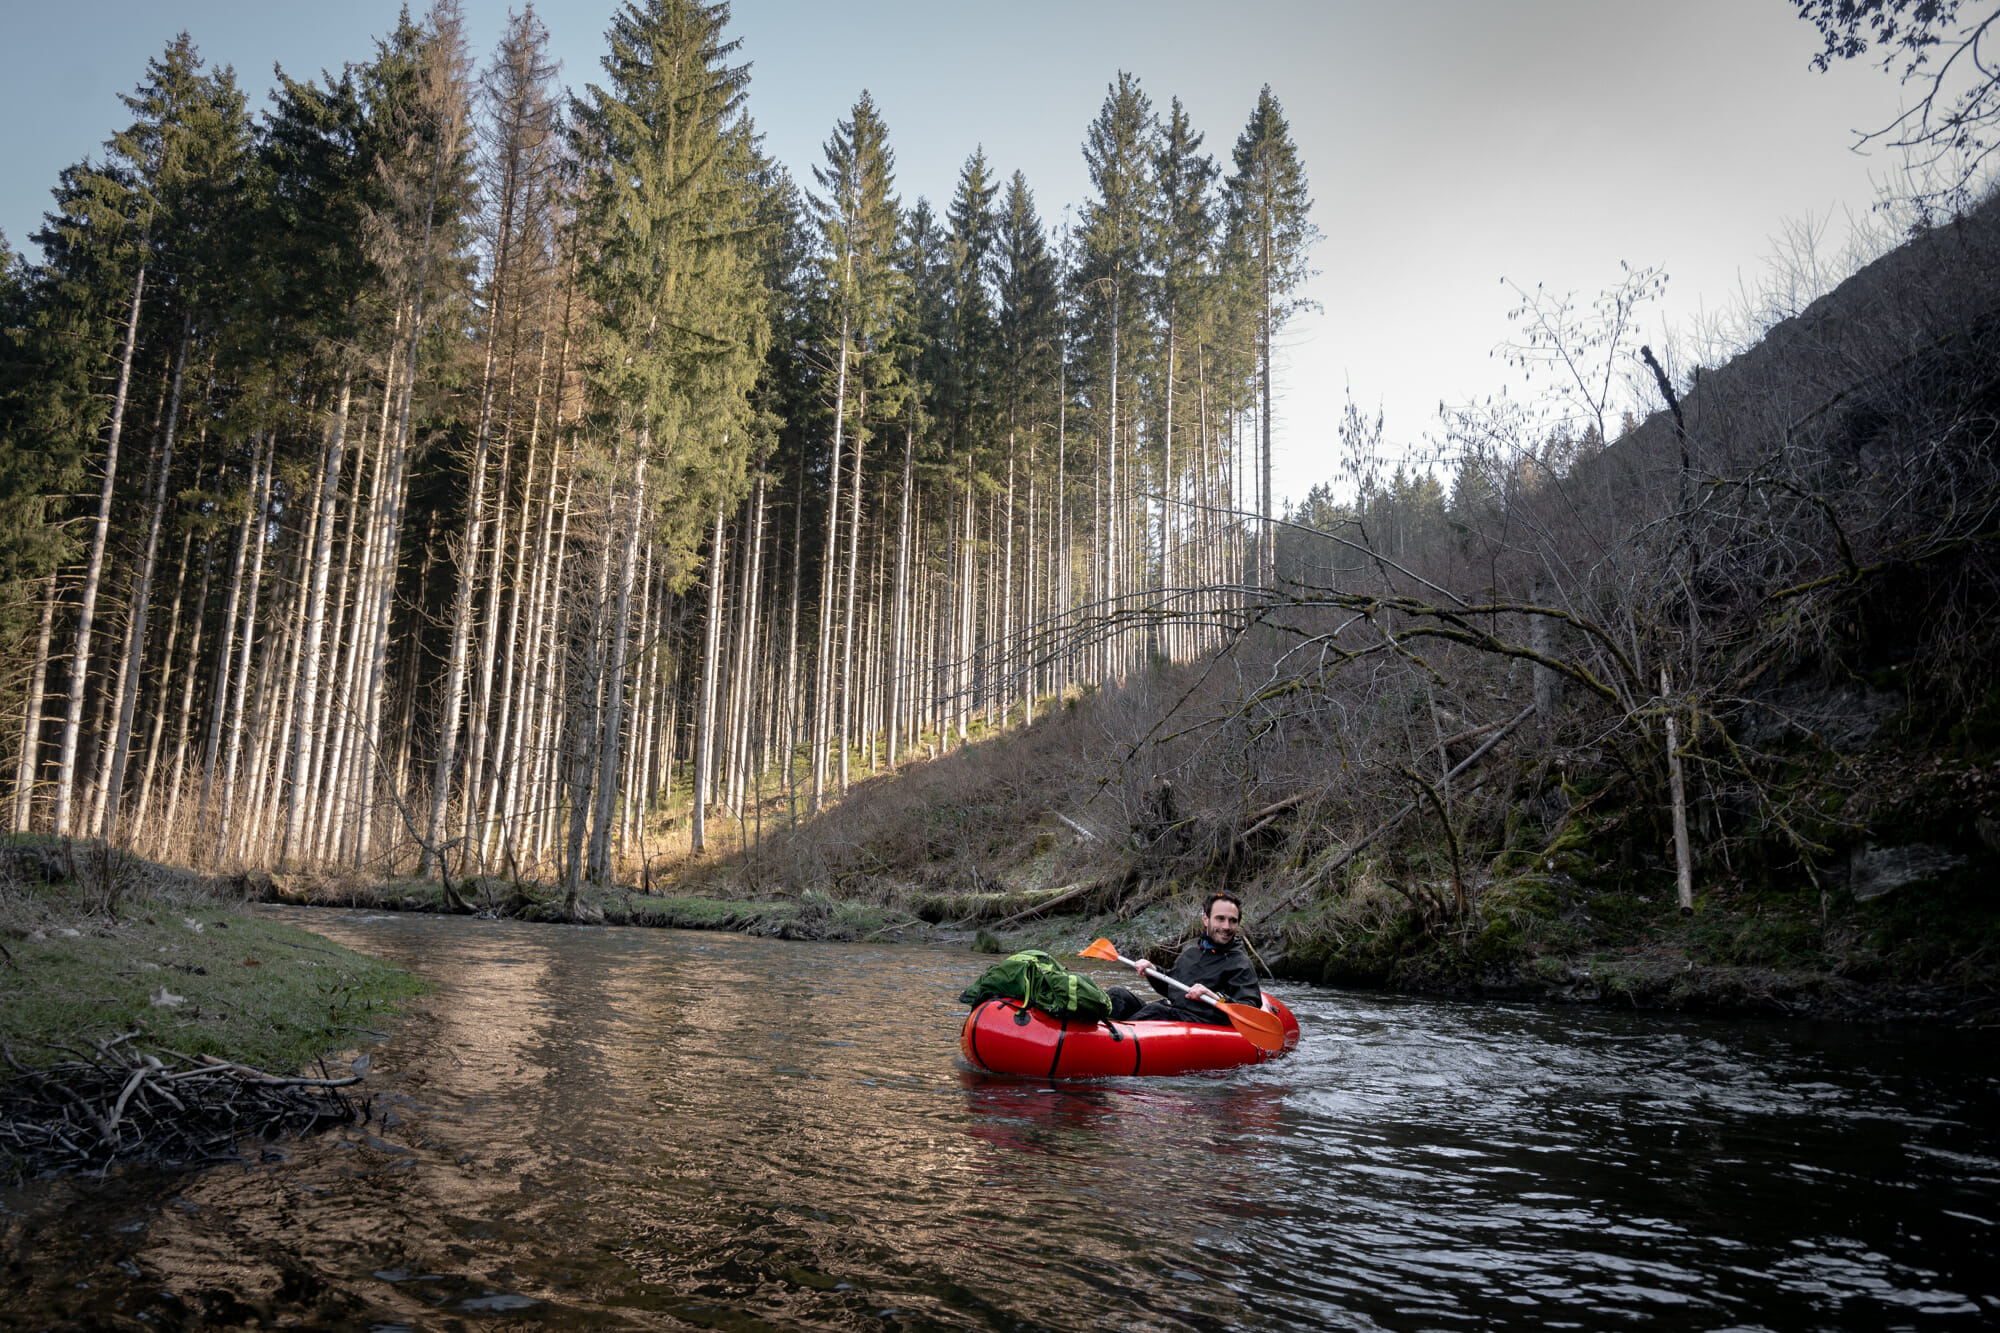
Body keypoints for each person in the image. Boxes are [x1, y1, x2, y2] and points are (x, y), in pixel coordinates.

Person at [1106, 892, 1261, 1024]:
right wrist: (1153, 971)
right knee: (1118, 995)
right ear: (1206, 919)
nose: (1226, 926)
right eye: (1220, 919)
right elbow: (1173, 988)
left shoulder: (1240, 963)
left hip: (1198, 1021)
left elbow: (1250, 1009)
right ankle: (1100, 1033)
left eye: (1232, 920)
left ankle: (1114, 1039)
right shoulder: (1192, 953)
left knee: (1157, 1010)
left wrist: (1215, 997)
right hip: (1172, 1012)